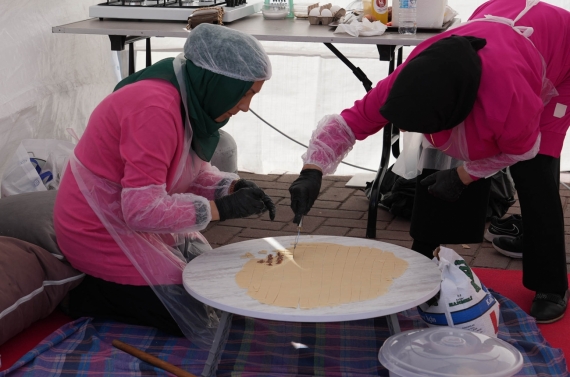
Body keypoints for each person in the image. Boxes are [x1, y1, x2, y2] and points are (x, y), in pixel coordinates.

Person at [288, 0, 570, 323]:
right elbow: (350, 123)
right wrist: (312, 170)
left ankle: (550, 284)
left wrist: (464, 176)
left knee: (536, 173)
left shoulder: (507, 99)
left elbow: (523, 148)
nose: (407, 130)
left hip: (560, 53)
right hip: (500, 23)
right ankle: (425, 255)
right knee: (437, 159)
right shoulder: (412, 79)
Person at [53, 24, 275, 344]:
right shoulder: (154, 106)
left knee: (215, 284)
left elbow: (190, 174)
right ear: (220, 84)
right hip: (96, 227)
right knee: (191, 311)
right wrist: (219, 209)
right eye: (246, 93)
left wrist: (232, 188)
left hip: (131, 214)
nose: (245, 107)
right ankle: (86, 294)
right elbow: (141, 211)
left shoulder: (190, 97)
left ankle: (119, 291)